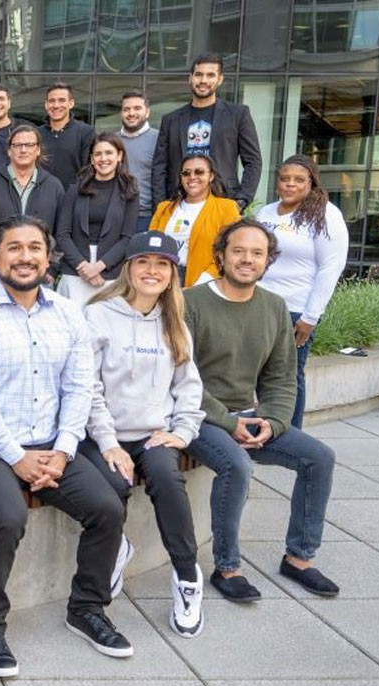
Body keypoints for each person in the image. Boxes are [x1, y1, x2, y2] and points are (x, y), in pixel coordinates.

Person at [0, 215, 130, 679]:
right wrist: (18, 458)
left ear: (48, 258)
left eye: (34, 247)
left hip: (51, 442)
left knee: (107, 508)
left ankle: (87, 608)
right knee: (8, 516)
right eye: (13, 247)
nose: (24, 256)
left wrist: (64, 450)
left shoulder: (68, 312)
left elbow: (78, 385)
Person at [184, 219, 339, 602]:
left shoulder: (273, 308)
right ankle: (227, 567)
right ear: (221, 255)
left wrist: (272, 420)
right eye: (238, 251)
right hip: (198, 415)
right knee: (235, 465)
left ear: (268, 260)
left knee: (319, 458)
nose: (247, 259)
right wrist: (227, 421)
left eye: (257, 253)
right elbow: (179, 378)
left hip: (251, 414)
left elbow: (282, 378)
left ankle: (299, 558)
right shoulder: (190, 302)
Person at [81, 231, 207, 638]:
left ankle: (187, 578)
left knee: (168, 479)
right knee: (113, 484)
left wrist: (182, 432)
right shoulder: (98, 315)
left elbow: (189, 387)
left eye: (162, 266)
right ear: (128, 269)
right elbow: (87, 387)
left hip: (152, 433)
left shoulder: (176, 326)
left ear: (172, 274)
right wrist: (108, 442)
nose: (152, 271)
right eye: (143, 263)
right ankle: (114, 549)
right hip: (104, 432)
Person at [256, 155, 350, 429]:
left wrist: (310, 317)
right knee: (260, 374)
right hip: (260, 305)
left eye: (299, 180)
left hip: (295, 309)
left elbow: (331, 267)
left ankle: (289, 435)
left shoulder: (325, 214)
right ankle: (264, 430)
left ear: (311, 182)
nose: (290, 185)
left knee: (288, 375)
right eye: (285, 179)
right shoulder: (267, 213)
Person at [152, 53, 263, 210]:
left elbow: (253, 161)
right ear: (190, 78)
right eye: (198, 74)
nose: (203, 80)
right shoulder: (171, 120)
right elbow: (159, 167)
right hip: (178, 201)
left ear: (220, 79)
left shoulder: (238, 114)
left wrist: (242, 199)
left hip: (223, 199)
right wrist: (161, 205)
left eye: (210, 75)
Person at [0, 125, 66, 280]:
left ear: (38, 150)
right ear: (9, 150)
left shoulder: (53, 186)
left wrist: (53, 269)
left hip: (39, 273)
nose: (23, 150)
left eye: (29, 145)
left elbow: (62, 232)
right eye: (17, 145)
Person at [55, 133, 141, 304]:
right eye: (98, 154)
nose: (103, 158)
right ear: (92, 159)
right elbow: (62, 234)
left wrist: (99, 266)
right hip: (75, 270)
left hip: (110, 273)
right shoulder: (75, 189)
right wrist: (83, 267)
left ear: (119, 156)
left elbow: (127, 238)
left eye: (109, 153)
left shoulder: (130, 191)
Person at [149, 154, 241, 286]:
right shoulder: (164, 208)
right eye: (186, 173)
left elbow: (230, 251)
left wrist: (202, 282)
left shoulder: (226, 208)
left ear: (211, 176)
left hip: (203, 281)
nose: (192, 177)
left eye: (199, 172)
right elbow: (151, 246)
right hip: (162, 278)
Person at [38, 82, 97, 191]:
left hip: (74, 198)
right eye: (52, 101)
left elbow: (89, 171)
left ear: (71, 103)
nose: (56, 105)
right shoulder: (36, 134)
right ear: (46, 105)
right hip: (42, 199)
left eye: (61, 100)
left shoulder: (86, 132)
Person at [117, 91, 159, 232]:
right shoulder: (112, 141)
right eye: (126, 109)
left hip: (146, 216)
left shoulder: (159, 140)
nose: (131, 113)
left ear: (147, 112)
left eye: (137, 108)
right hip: (116, 215)